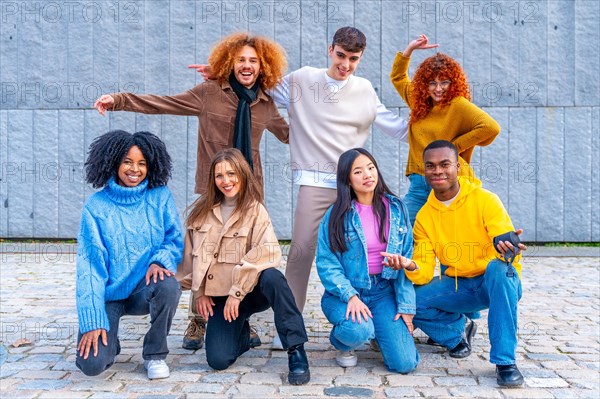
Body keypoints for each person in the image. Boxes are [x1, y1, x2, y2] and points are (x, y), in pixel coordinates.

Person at [192, 28, 410, 322]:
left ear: (361, 58)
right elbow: (258, 83)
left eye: (353, 59)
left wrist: (440, 127)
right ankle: (289, 322)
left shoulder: (365, 90)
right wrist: (221, 73)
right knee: (300, 252)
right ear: (330, 49)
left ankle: (374, 317)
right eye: (341, 55)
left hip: (356, 185)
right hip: (316, 183)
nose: (345, 64)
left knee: (367, 248)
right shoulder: (303, 80)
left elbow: (397, 128)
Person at [94, 32, 290, 351]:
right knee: (204, 253)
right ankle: (198, 318)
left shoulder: (265, 104)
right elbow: (163, 104)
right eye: (240, 59)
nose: (247, 65)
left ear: (263, 66)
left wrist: (332, 125)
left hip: (250, 193)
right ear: (230, 61)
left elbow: (292, 136)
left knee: (243, 254)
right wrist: (119, 100)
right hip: (212, 190)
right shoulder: (209, 92)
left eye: (253, 60)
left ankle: (241, 317)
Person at [176, 148, 310, 385]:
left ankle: (296, 350)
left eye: (231, 173)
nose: (226, 181)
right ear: (213, 180)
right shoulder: (200, 212)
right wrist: (199, 292)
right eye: (219, 176)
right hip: (220, 297)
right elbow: (189, 259)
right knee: (218, 359)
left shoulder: (255, 210)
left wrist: (237, 292)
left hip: (250, 292)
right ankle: (242, 333)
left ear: (242, 175)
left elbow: (267, 252)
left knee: (274, 277)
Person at [402, 140, 526, 387]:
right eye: (431, 166)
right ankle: (457, 331)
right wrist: (412, 266)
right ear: (423, 170)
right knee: (410, 300)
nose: (438, 171)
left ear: (457, 167)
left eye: (445, 164)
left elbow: (505, 240)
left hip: (496, 281)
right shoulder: (424, 217)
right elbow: (425, 266)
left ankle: (505, 362)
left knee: (498, 270)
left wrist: (508, 249)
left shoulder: (485, 200)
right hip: (460, 286)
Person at [75, 130, 183, 380]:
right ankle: (111, 343)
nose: (135, 169)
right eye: (127, 161)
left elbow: (174, 239)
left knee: (168, 285)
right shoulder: (96, 207)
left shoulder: (160, 196)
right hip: (109, 296)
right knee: (92, 365)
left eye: (142, 163)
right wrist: (92, 320)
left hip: (142, 290)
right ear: (113, 162)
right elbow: (89, 268)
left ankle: (155, 355)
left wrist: (159, 260)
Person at [315, 148, 419, 372]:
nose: (367, 175)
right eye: (358, 172)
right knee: (358, 329)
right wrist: (350, 295)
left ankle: (378, 333)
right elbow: (326, 262)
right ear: (348, 180)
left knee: (405, 363)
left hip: (383, 291)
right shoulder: (335, 215)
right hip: (345, 292)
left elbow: (407, 257)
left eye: (371, 168)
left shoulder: (396, 209)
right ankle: (343, 343)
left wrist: (406, 304)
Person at [390, 34, 501, 224]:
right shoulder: (418, 102)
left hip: (449, 181)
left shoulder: (458, 105)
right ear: (424, 85)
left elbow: (491, 127)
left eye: (444, 82)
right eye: (432, 83)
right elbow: (398, 77)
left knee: (457, 230)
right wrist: (409, 51)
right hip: (420, 182)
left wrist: (453, 147)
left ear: (454, 83)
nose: (438, 88)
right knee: (402, 226)